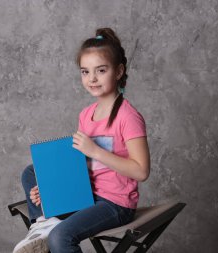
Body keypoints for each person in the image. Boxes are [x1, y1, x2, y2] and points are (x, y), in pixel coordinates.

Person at [13, 27, 150, 253]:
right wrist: (49, 190)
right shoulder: (86, 115)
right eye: (85, 72)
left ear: (118, 71)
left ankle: (48, 227)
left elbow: (141, 171)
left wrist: (96, 151)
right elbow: (81, 167)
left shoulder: (128, 116)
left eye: (101, 70)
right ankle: (42, 224)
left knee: (61, 238)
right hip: (85, 194)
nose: (92, 79)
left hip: (114, 203)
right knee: (31, 172)